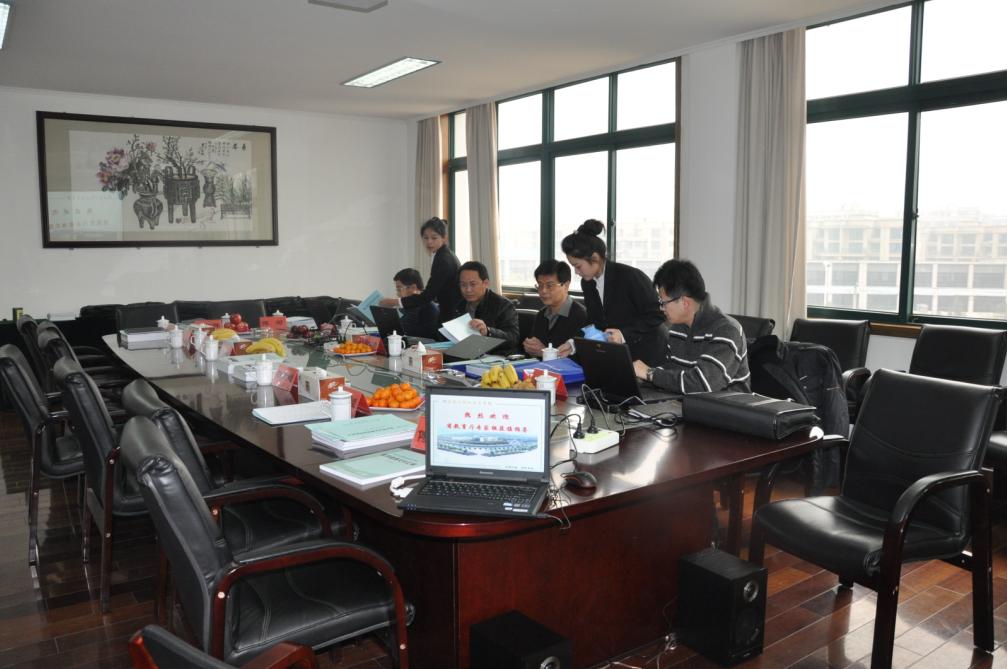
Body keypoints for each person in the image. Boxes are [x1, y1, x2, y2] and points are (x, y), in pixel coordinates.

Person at [633, 259, 750, 394]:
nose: (661, 308)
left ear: (685, 302)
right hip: (686, 402)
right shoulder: (678, 328)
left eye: (663, 302)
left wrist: (650, 373)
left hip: (726, 405)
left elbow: (702, 384)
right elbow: (673, 373)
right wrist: (639, 378)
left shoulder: (727, 331)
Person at [560, 219, 665, 365]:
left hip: (646, 353)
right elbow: (594, 321)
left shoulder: (629, 276)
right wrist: (573, 343)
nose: (576, 272)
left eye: (578, 266)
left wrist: (623, 335)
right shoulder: (588, 283)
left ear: (595, 258)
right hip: (616, 354)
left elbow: (657, 313)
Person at [378, 217, 461, 324]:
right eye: (425, 238)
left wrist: (394, 302)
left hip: (452, 316)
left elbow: (428, 296)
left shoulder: (443, 259)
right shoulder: (444, 255)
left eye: (434, 238)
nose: (429, 242)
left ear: (444, 238)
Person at [523, 260, 587, 358]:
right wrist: (530, 347)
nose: (543, 291)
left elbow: (580, 359)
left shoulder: (582, 316)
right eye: (540, 285)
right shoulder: (541, 315)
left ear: (566, 285)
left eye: (549, 286)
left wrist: (544, 352)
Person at [456, 260, 520, 353]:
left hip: (495, 355)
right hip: (467, 352)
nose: (468, 290)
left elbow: (513, 338)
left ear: (485, 283)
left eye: (473, 284)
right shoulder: (459, 305)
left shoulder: (503, 305)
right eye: (463, 285)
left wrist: (488, 331)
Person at [392, 268, 439, 339]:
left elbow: (406, 329)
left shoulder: (426, 306)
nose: (398, 294)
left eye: (399, 289)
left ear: (413, 287)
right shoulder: (410, 306)